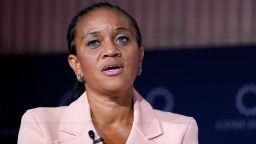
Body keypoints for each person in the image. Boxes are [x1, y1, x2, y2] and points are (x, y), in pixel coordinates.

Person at [18, 2, 198, 144]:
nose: (111, 50)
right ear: (76, 65)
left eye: (122, 39)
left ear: (139, 58)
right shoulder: (41, 124)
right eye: (94, 42)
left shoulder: (179, 130)